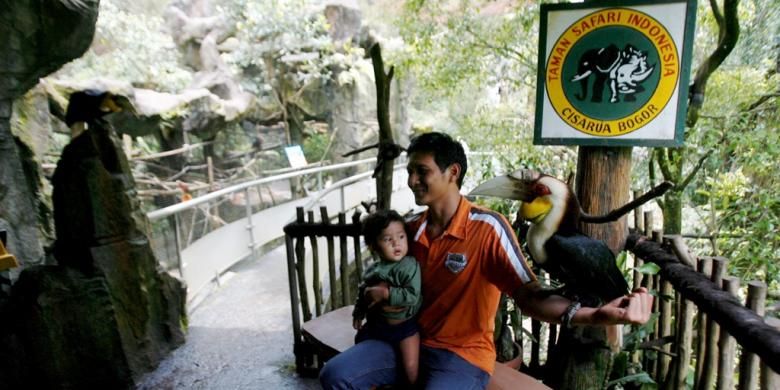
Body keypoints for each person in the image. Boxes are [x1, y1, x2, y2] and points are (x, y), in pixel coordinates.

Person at [320, 132, 653, 389]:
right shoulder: (409, 231)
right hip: (407, 342)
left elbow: (529, 296)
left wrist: (594, 315)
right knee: (336, 375)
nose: (411, 180)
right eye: (409, 171)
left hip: (461, 355)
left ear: (453, 172)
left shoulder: (488, 228)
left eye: (421, 171)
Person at [352, 209, 422, 386]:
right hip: (377, 325)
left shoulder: (409, 266)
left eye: (401, 237)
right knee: (360, 345)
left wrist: (386, 294)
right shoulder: (373, 269)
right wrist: (358, 313)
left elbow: (412, 296)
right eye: (387, 239)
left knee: (411, 366)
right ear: (373, 246)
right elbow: (363, 291)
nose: (396, 243)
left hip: (405, 327)